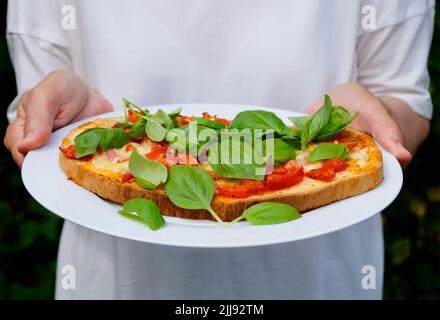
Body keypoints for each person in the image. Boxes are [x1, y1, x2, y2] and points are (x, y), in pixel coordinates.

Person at [4, 0, 434, 299]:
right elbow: (37, 114)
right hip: (118, 281)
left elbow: (404, 103)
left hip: (317, 280)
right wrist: (61, 120)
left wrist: (376, 121)